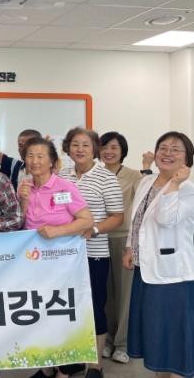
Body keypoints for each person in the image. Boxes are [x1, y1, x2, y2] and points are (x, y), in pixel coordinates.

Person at [17, 137, 93, 378]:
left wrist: (57, 231)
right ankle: (47, 364)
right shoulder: (25, 186)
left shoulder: (64, 187)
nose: (35, 161)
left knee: (61, 313)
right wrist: (23, 201)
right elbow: (20, 223)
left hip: (63, 264)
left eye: (41, 156)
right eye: (30, 155)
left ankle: (65, 369)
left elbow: (86, 220)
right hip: (35, 263)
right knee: (41, 312)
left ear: (52, 161)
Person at [124, 131, 194, 378]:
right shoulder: (148, 181)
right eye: (163, 148)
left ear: (187, 158)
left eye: (175, 150)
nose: (167, 153)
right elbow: (137, 218)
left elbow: (166, 219)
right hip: (146, 269)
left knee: (173, 339)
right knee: (156, 337)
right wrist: (130, 247)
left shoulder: (188, 190)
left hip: (172, 276)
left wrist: (173, 184)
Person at [58, 128, 124, 378]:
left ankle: (95, 365)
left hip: (94, 253)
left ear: (95, 149)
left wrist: (94, 229)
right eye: (75, 144)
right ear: (68, 147)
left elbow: (117, 216)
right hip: (63, 255)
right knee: (68, 307)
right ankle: (72, 361)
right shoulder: (62, 175)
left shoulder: (106, 177)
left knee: (95, 307)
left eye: (86, 145)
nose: (80, 149)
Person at [99, 132, 154, 364]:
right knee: (104, 294)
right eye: (104, 147)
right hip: (97, 239)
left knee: (124, 295)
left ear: (122, 151)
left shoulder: (132, 175)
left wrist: (146, 167)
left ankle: (123, 343)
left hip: (123, 239)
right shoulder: (95, 174)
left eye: (114, 147)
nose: (108, 152)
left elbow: (147, 197)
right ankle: (107, 339)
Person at [0, 111, 42, 189]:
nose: (23, 149)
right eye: (20, 145)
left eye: (27, 145)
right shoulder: (14, 165)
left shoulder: (47, 170)